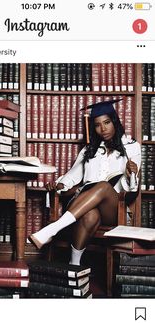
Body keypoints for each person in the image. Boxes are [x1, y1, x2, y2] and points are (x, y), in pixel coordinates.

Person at [29, 99, 141, 265]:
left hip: (113, 208)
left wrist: (132, 173)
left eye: (107, 123)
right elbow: (72, 176)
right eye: (97, 125)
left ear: (114, 122)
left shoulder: (131, 147)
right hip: (87, 205)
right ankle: (74, 267)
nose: (103, 129)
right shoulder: (89, 150)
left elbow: (132, 189)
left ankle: (52, 229)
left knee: (103, 186)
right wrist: (60, 185)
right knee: (89, 215)